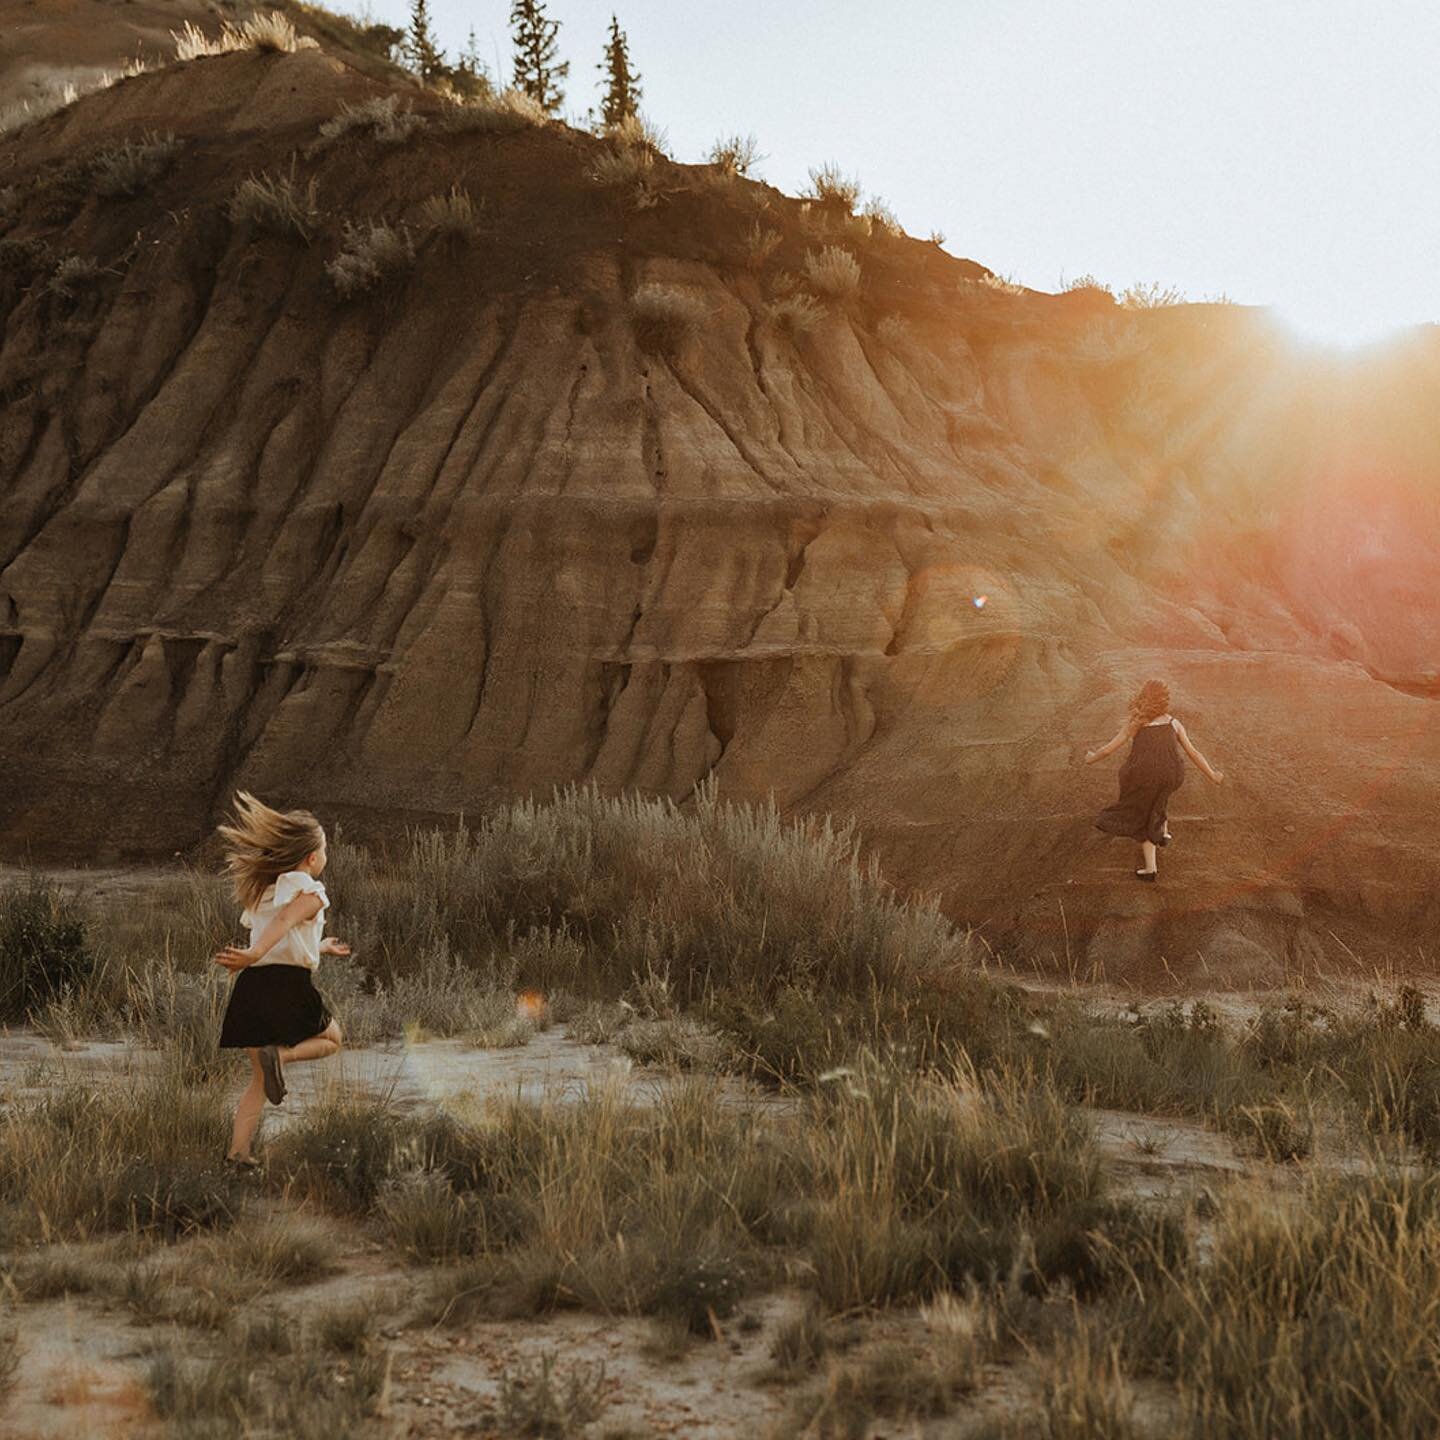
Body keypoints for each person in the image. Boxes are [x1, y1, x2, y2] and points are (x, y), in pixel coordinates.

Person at [213, 792, 349, 1168]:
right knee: (333, 1039)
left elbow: (280, 937)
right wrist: (254, 954)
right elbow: (286, 922)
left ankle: (238, 1153)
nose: (326, 855)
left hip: (253, 988)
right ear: (311, 857)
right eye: (325, 849)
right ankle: (284, 1056)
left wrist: (317, 947)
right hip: (286, 984)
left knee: (259, 1080)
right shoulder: (311, 891)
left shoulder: (266, 890)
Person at [1084, 679, 1223, 881]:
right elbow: (1193, 752)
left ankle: (1151, 870)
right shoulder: (1174, 723)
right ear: (1165, 700)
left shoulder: (1136, 724)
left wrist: (1091, 758)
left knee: (1146, 815)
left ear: (1143, 697)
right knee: (1160, 797)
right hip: (1172, 775)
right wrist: (1213, 774)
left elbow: (1108, 749)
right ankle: (1163, 834)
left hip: (1144, 777)